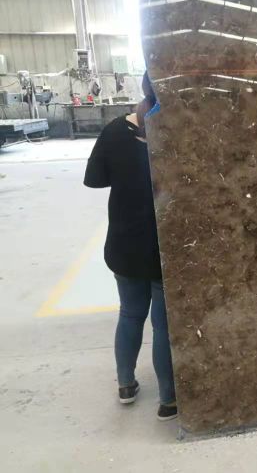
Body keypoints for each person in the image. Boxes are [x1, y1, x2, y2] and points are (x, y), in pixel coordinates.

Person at [84, 72, 177, 421]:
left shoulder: (115, 131)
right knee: (163, 326)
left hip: (125, 245)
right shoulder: (179, 132)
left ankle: (126, 384)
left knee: (130, 314)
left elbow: (95, 180)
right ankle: (168, 400)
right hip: (165, 247)